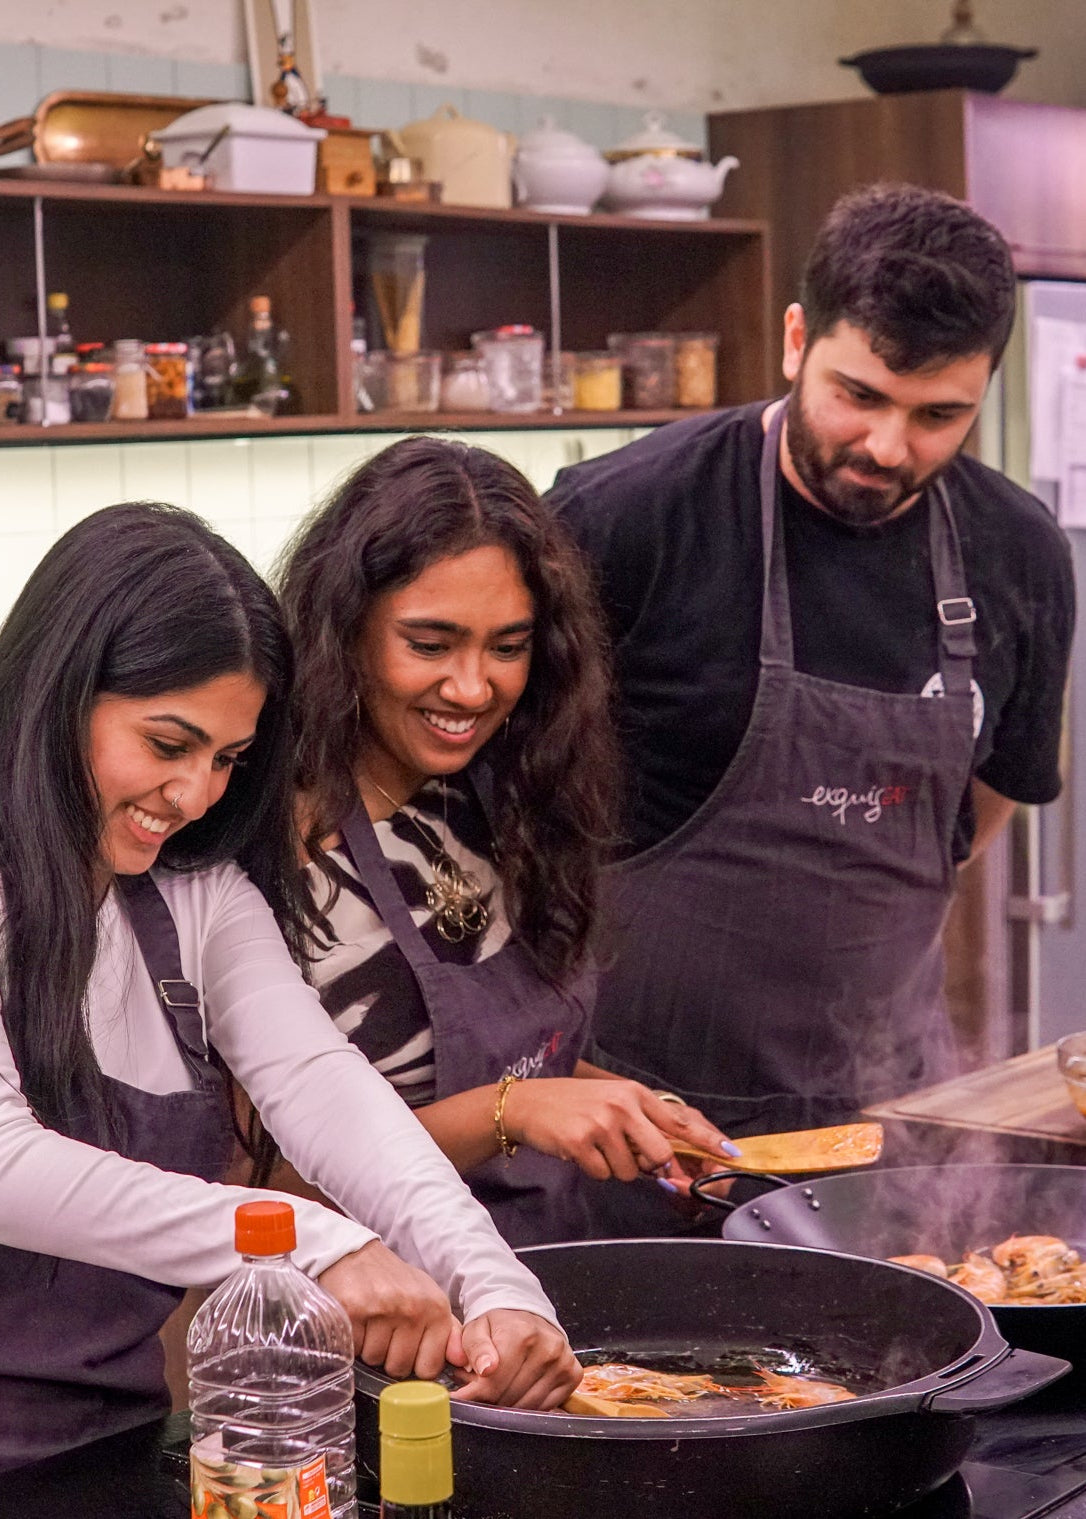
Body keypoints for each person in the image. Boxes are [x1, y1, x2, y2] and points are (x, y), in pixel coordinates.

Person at [0, 501, 579, 1473]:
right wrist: (315, 1244)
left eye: (228, 759)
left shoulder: (195, 896)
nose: (193, 797)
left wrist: (495, 1285)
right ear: (63, 692)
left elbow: (322, 1085)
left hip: (106, 1450)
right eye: (167, 743)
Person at [545, 183, 1075, 1227]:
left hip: (888, 1134)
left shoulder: (1021, 556)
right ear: (797, 338)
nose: (887, 445)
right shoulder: (627, 515)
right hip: (633, 1130)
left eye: (939, 416)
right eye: (858, 394)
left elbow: (983, 801)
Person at [275, 437, 737, 1246]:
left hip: (545, 1292)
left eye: (508, 646)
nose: (470, 687)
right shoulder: (282, 845)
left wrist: (627, 1114)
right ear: (344, 630)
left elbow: (527, 1067)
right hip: (382, 1325)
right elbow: (264, 1188)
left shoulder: (500, 792)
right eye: (429, 643)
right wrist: (512, 1112)